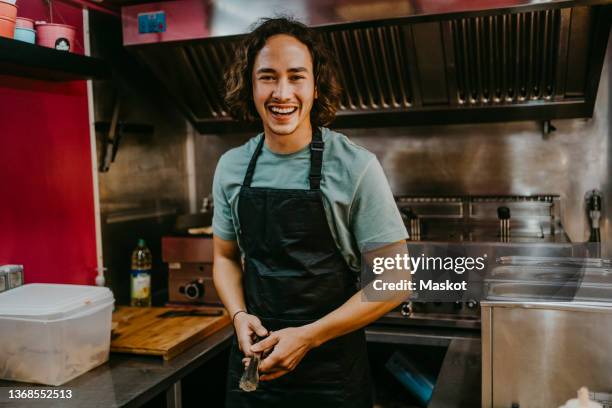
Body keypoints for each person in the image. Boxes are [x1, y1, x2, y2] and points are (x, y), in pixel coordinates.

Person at [212, 17, 409, 408]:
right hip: (254, 367)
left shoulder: (355, 166)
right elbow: (224, 257)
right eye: (267, 77)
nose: (282, 92)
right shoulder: (231, 167)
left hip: (331, 374)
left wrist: (309, 336)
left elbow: (395, 281)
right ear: (250, 86)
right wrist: (237, 315)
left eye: (296, 76)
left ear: (315, 86)